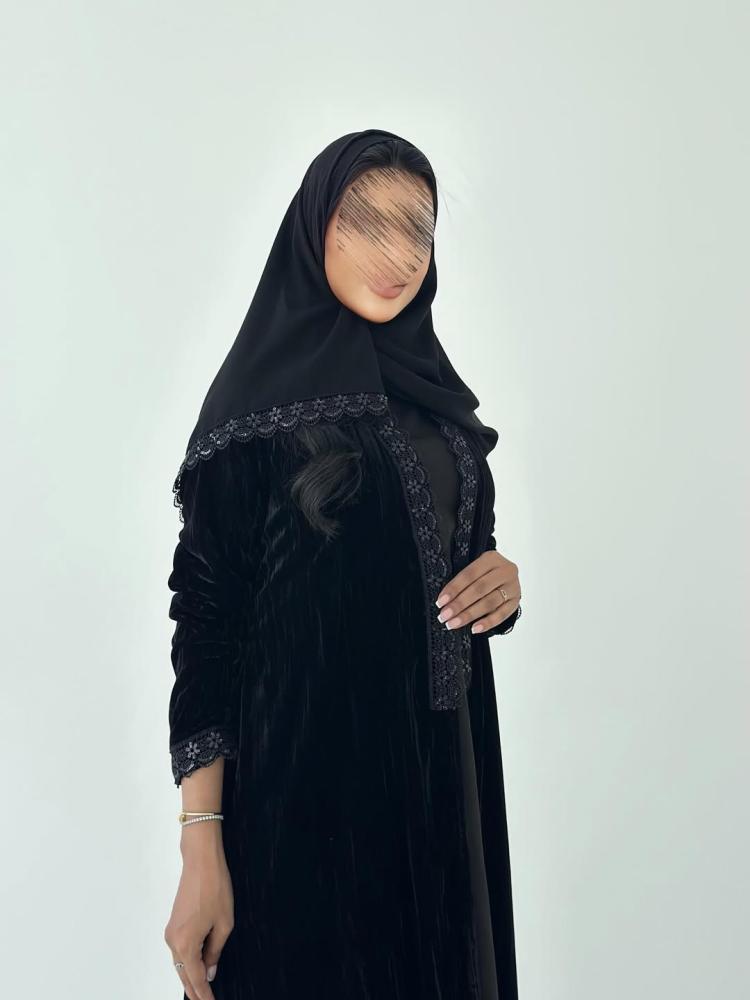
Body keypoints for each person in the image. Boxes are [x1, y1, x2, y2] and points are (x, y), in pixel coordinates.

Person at [163, 128, 523, 1000]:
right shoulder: (251, 414)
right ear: (313, 227)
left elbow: (450, 563)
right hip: (305, 801)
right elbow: (206, 628)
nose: (398, 254)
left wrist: (500, 585)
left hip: (443, 786)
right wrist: (201, 845)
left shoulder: (440, 408)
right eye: (367, 222)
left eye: (418, 229)